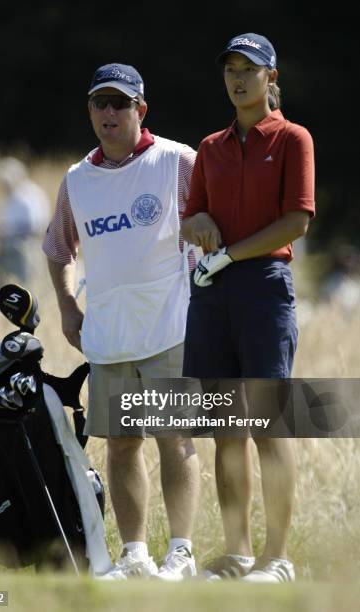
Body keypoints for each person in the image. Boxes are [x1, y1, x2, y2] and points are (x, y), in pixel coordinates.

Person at [43, 63, 200, 580]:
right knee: (123, 444)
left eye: (120, 103)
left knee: (174, 439)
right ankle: (135, 554)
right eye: (99, 103)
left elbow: (214, 222)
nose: (109, 113)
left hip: (170, 325)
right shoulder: (77, 179)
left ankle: (180, 551)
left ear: (141, 110)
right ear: (90, 110)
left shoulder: (176, 161)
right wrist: (68, 307)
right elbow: (58, 247)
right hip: (109, 335)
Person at [181, 33, 315, 582]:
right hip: (213, 293)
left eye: (250, 70)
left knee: (269, 425)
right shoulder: (210, 147)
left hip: (263, 287)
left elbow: (296, 222)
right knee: (225, 427)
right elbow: (191, 217)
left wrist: (231, 251)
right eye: (231, 69)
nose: (238, 79)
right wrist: (201, 225)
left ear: (271, 78)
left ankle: (277, 557)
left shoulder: (291, 139)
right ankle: (237, 553)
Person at [0, 156, 50, 285]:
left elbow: (36, 225)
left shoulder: (29, 196)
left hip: (26, 249)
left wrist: (9, 231)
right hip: (10, 249)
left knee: (26, 284)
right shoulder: (13, 196)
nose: (3, 187)